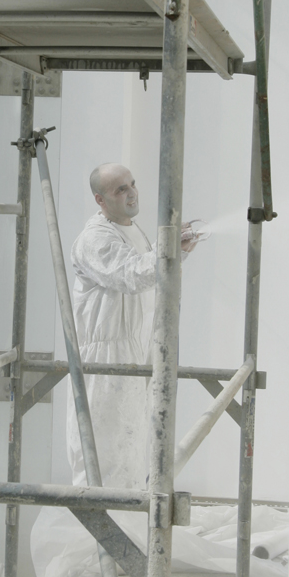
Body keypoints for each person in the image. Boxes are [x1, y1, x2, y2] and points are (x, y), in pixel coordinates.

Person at [67, 163, 199, 490]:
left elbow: (147, 269)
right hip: (104, 362)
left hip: (132, 353)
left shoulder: (133, 230)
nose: (131, 193)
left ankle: (127, 529)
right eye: (120, 189)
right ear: (100, 199)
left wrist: (173, 251)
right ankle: (96, 536)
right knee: (103, 452)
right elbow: (130, 275)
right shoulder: (94, 239)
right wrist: (169, 251)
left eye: (132, 184)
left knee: (131, 449)